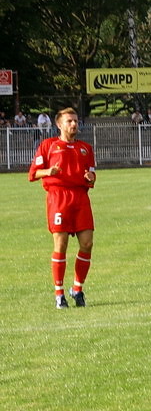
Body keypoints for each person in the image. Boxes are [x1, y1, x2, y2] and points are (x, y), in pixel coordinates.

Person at [28, 108, 97, 309]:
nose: (74, 124)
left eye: (75, 121)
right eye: (69, 121)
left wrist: (90, 178)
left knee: (87, 243)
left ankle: (77, 288)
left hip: (80, 198)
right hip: (58, 198)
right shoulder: (48, 146)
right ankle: (59, 294)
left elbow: (91, 174)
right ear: (59, 124)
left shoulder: (85, 148)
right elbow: (32, 173)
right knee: (61, 244)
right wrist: (48, 171)